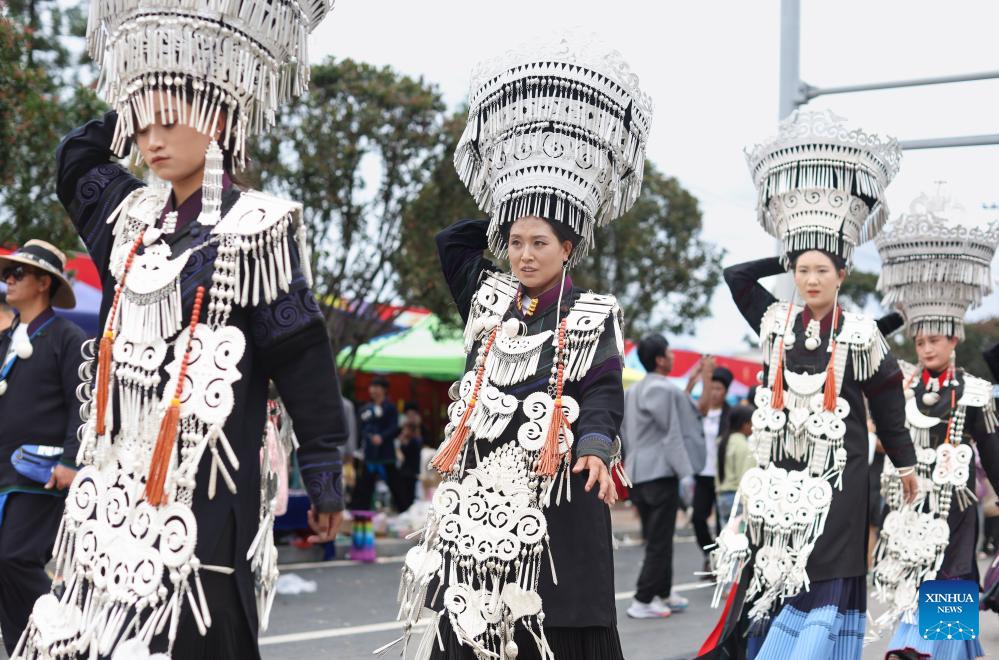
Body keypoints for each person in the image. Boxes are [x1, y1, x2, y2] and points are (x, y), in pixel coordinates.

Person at [16, 2, 346, 657]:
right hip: (113, 493)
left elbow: (303, 357)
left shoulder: (259, 230)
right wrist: (149, 77)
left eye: (169, 120)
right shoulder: (128, 218)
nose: (151, 139)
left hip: (203, 499)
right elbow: (75, 156)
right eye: (142, 125)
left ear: (219, 119)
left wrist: (325, 468)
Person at [393, 34, 652, 659]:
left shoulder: (592, 313)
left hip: (554, 504)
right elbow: (452, 243)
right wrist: (523, 197)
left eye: (541, 241)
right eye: (516, 241)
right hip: (480, 503)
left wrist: (592, 444)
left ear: (569, 248)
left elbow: (602, 392)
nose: (525, 253)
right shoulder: (490, 298)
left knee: (549, 631)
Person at [699, 110, 918, 660]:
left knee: (929, 579)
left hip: (850, 485)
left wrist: (910, 465)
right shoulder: (776, 321)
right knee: (779, 576)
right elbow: (735, 278)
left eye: (823, 269)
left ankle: (941, 647)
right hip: (782, 481)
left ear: (843, 274)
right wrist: (790, 246)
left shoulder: (864, 335)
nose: (811, 278)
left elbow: (891, 407)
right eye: (802, 269)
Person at [870, 191, 999, 659]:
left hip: (957, 512)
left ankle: (913, 650)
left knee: (946, 589)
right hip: (908, 511)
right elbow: (869, 339)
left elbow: (995, 462)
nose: (926, 348)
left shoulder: (973, 391)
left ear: (954, 338)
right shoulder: (900, 383)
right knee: (920, 594)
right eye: (920, 339)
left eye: (935, 339)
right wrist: (901, 313)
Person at [0, 241, 85, 654]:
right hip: (3, 473)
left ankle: (66, 635)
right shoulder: (7, 339)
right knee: (2, 567)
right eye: (6, 274)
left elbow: (83, 403)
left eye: (18, 274)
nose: (8, 280)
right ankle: (26, 648)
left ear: (43, 283)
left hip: (41, 474)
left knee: (14, 558)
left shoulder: (67, 337)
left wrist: (70, 460)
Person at [623, 334, 706, 618]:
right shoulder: (664, 389)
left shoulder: (634, 390)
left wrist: (691, 383)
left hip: (638, 473)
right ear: (659, 359)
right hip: (660, 473)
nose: (672, 357)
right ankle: (642, 600)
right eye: (669, 353)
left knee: (659, 537)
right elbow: (672, 433)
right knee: (659, 541)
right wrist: (686, 474)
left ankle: (664, 593)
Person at [686, 359, 733, 575]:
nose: (715, 392)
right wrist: (694, 379)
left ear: (726, 390)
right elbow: (683, 404)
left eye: (719, 388)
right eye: (712, 387)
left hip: (723, 476)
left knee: (723, 523)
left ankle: (723, 563)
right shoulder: (699, 410)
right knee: (698, 519)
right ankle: (710, 553)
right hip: (702, 474)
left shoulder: (731, 415)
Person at [352, 377, 401, 510]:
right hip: (370, 453)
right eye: (372, 387)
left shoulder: (390, 408)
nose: (373, 390)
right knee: (365, 485)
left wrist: (382, 437)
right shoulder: (366, 409)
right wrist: (368, 437)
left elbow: (394, 427)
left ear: (384, 390)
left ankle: (402, 508)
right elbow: (361, 428)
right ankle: (361, 511)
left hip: (386, 453)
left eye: (376, 387)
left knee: (394, 483)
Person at [714, 405, 755, 525]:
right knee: (739, 538)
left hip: (722, 497)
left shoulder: (723, 441)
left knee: (727, 537)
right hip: (737, 498)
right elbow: (746, 477)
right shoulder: (745, 446)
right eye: (752, 423)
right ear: (745, 425)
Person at [392, 402, 425, 513]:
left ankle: (408, 510)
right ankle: (403, 510)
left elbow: (408, 452)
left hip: (411, 471)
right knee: (402, 492)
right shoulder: (405, 439)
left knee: (409, 493)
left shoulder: (415, 440)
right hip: (403, 471)